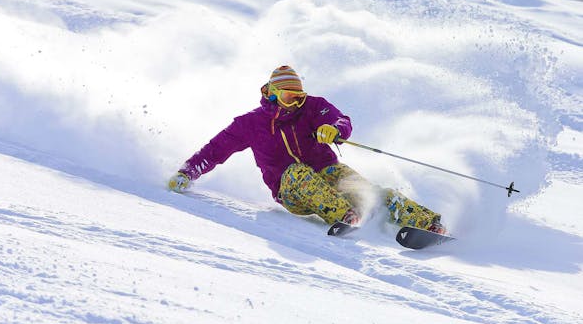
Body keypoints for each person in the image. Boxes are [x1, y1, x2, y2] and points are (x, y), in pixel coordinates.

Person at [168, 65, 446, 234]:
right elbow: (216, 149)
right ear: (272, 93)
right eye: (289, 96)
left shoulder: (312, 107)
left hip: (327, 170)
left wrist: (334, 130)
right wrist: (188, 172)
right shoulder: (251, 123)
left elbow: (340, 120)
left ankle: (425, 223)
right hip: (290, 188)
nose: (294, 102)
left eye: (298, 96)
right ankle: (344, 215)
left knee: (369, 192)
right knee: (298, 172)